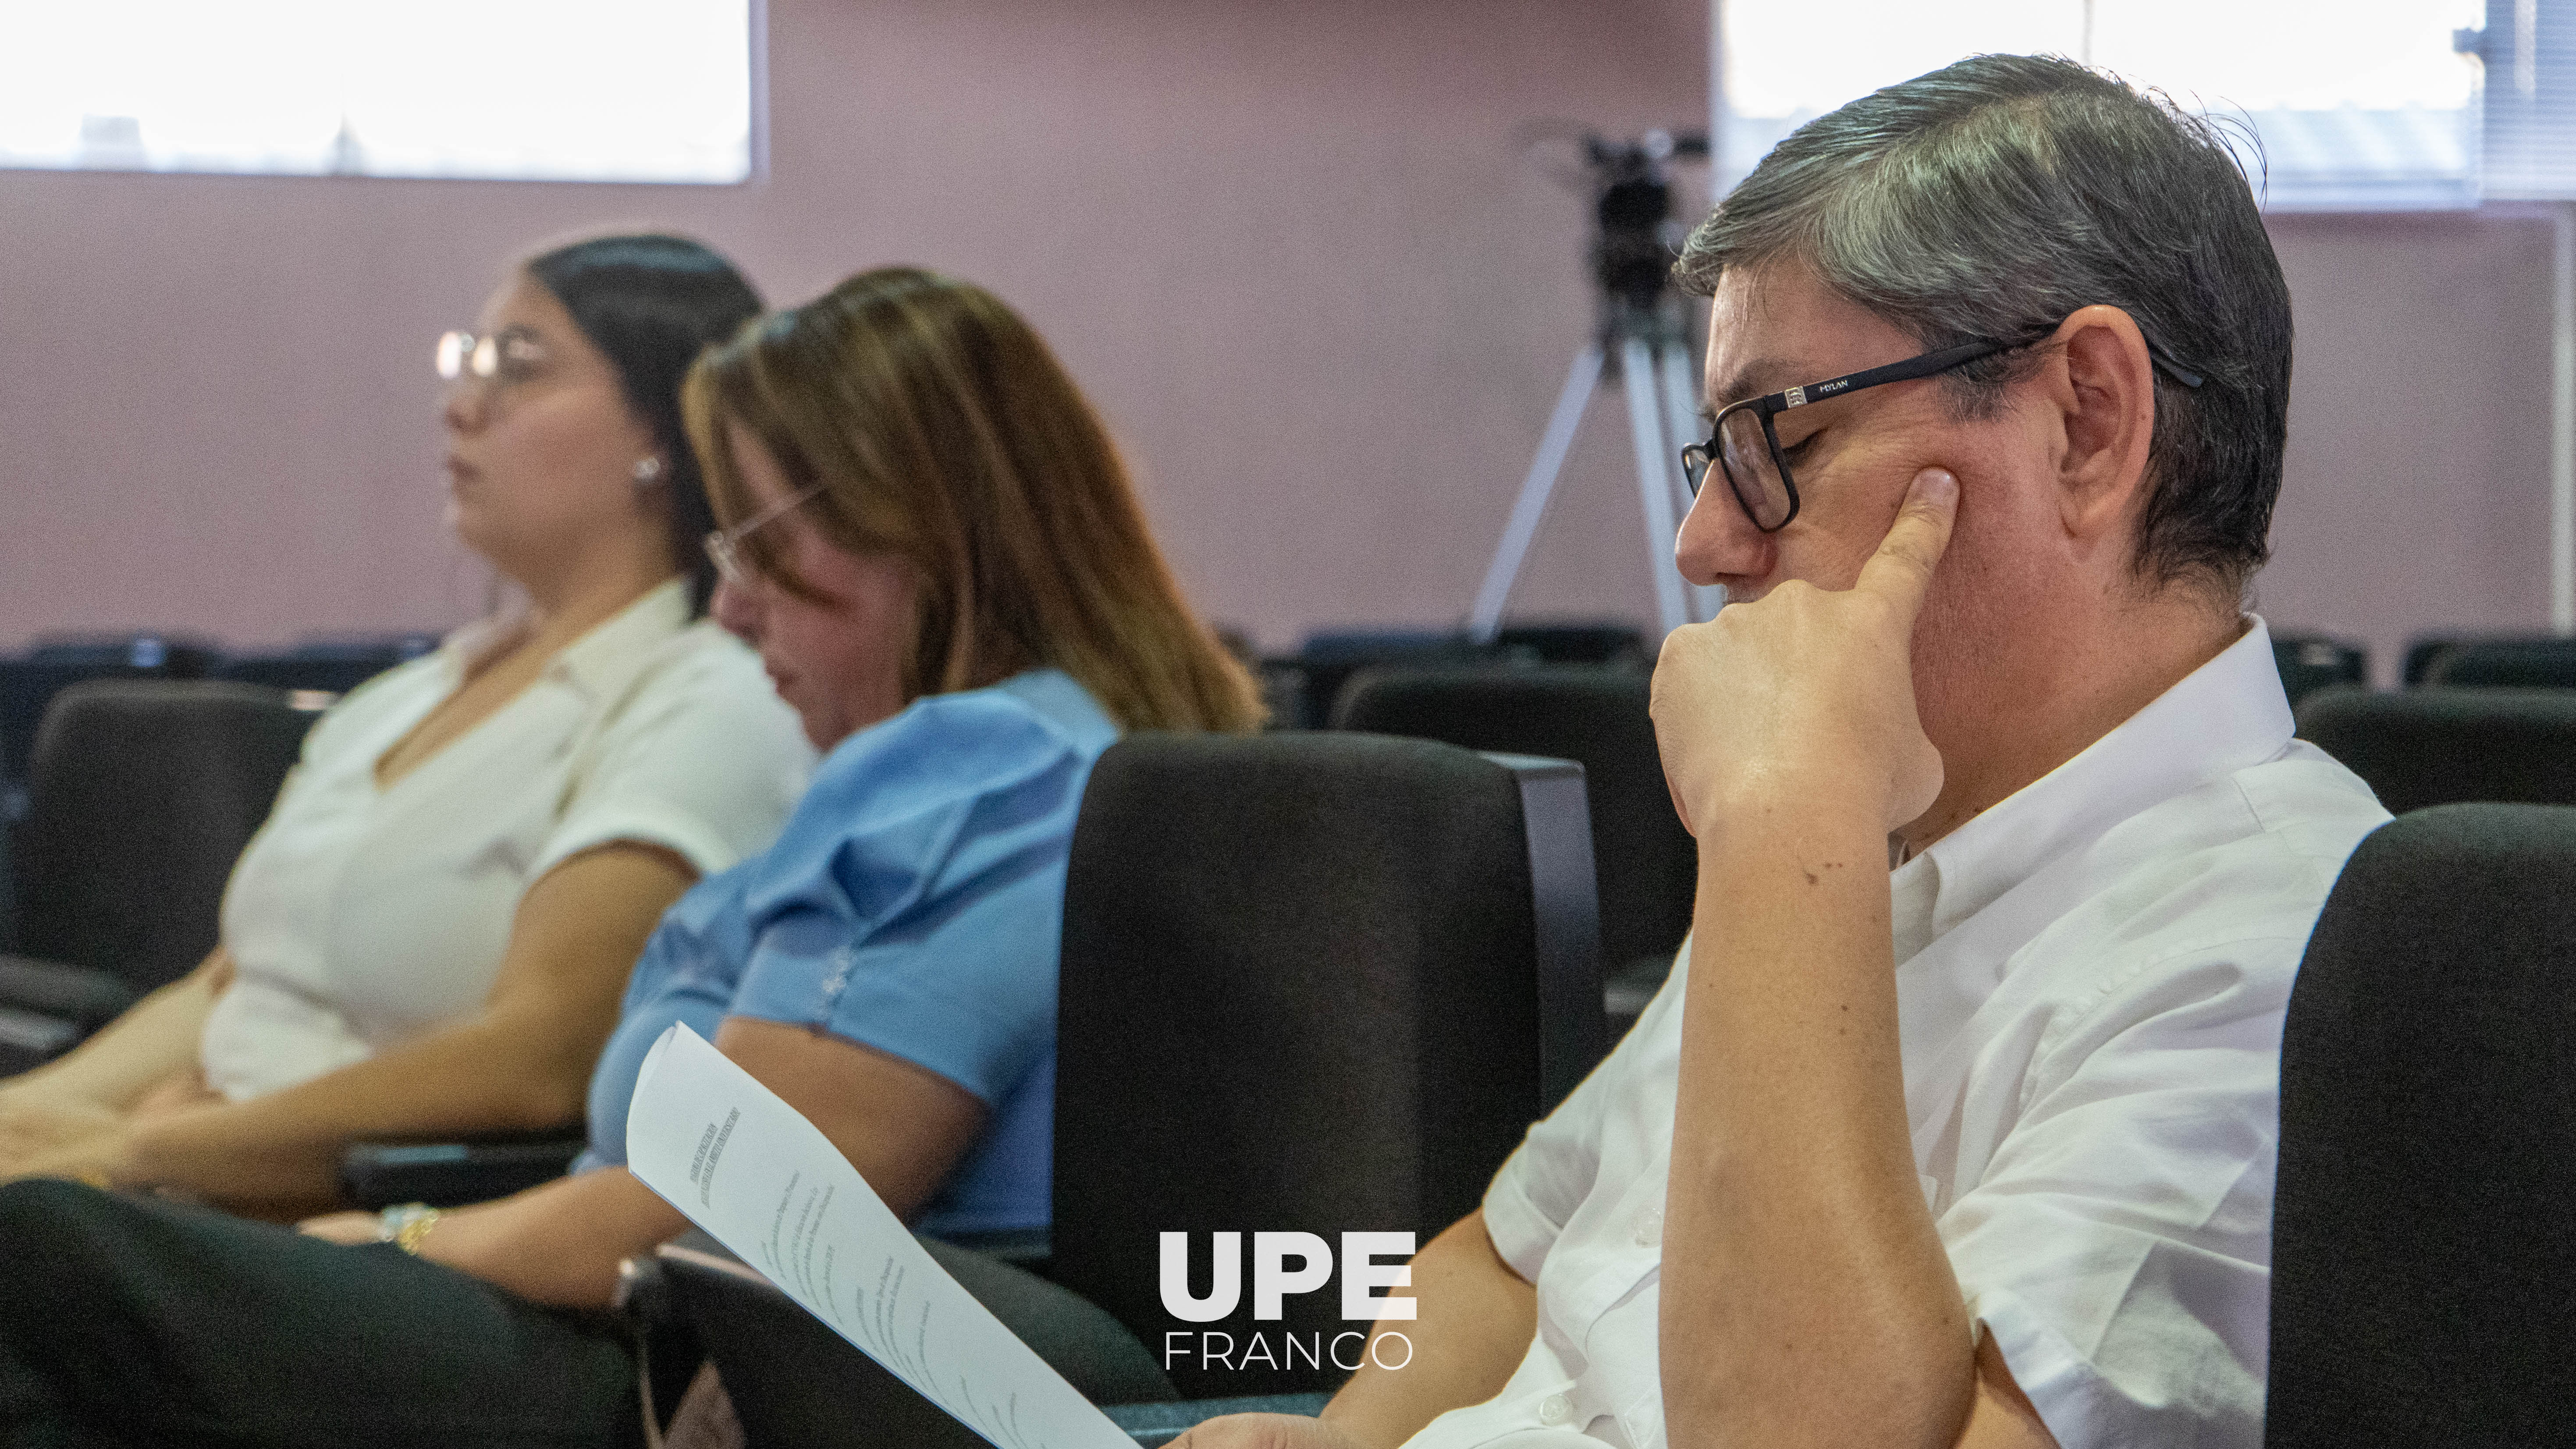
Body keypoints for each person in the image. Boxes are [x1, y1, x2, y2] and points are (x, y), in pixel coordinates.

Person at [1184, 55, 2387, 1449]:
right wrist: (1336, 1443)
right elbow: (1501, 1261)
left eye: (1778, 436)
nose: (1704, 545)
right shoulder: (1871, 824)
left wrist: (1782, 825)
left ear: (2085, 422)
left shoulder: (2281, 964)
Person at [0, 265, 1263, 1448]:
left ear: (928, 537)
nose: (729, 605)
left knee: (45, 1248)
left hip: (660, 1356)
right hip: (612, 1309)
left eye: (762, 549)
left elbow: (732, 1205)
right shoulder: (972, 758)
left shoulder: (978, 765)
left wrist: (401, 1235)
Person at [0, 234, 811, 1218]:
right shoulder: (407, 698)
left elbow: (539, 1060)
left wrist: (140, 1152)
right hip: (193, 1182)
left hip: (373, 1234)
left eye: (518, 368)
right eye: (467, 363)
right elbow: (233, 985)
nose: (462, 405)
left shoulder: (703, 700)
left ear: (662, 424)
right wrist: (34, 1117)